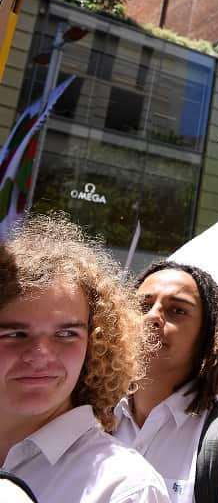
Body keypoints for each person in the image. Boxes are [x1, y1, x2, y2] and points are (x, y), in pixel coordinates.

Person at [0, 215, 170, 502]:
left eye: (66, 334)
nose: (40, 354)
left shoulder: (125, 488)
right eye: (16, 334)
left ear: (96, 345)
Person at [116, 261, 218, 502]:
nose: (152, 316)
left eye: (177, 310)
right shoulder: (92, 419)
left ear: (208, 335)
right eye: (141, 305)